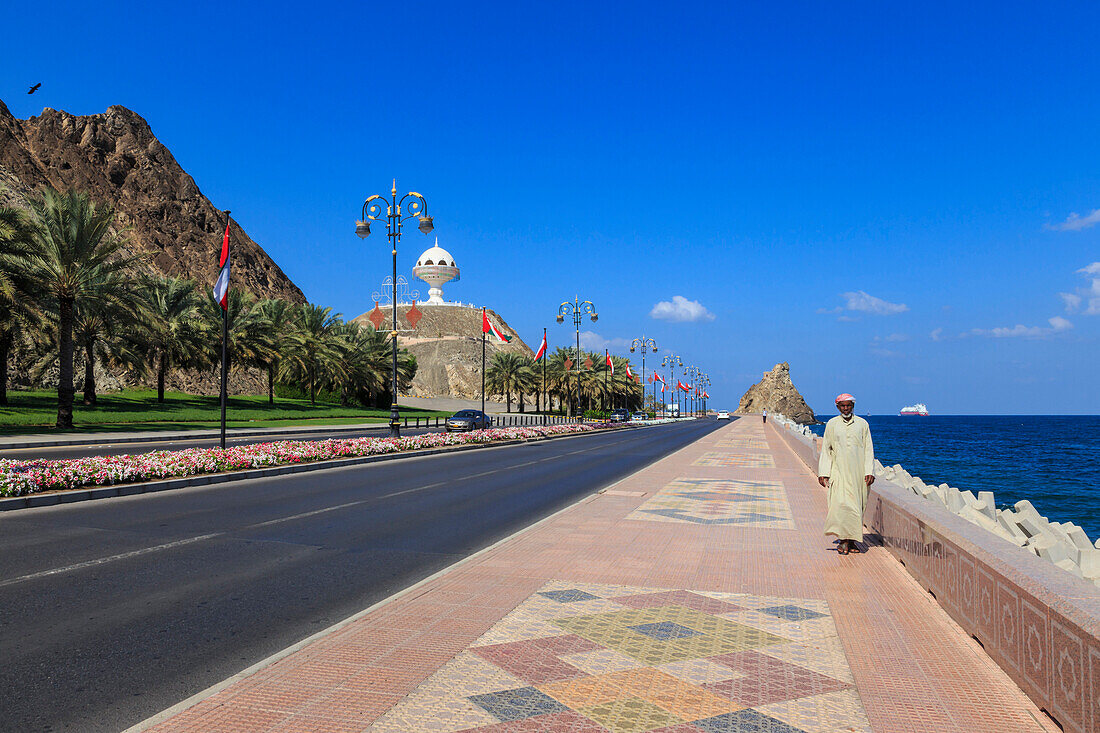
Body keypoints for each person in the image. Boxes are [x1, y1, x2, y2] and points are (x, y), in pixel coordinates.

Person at [818, 393, 874, 556]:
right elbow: (827, 449)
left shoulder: (862, 424)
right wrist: (824, 472)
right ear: (837, 407)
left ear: (853, 406)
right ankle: (843, 540)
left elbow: (869, 448)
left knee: (856, 507)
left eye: (848, 405)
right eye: (842, 406)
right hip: (839, 472)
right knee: (840, 505)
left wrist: (869, 470)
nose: (846, 408)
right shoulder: (832, 424)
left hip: (858, 473)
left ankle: (851, 540)